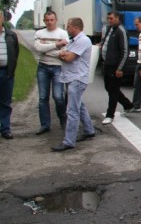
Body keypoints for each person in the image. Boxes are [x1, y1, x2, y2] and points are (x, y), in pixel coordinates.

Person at [52, 17, 95, 151]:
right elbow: (63, 54)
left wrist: (63, 54)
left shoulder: (82, 40)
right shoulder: (74, 41)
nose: (67, 28)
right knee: (79, 106)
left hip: (77, 78)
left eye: (68, 26)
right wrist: (63, 54)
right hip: (71, 77)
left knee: (72, 110)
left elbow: (69, 57)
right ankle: (89, 130)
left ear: (75, 27)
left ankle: (69, 141)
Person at [34, 10, 68, 135]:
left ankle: (63, 118)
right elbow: (38, 48)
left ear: (56, 20)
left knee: (58, 96)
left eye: (52, 20)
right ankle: (45, 125)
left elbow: (64, 52)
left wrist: (47, 48)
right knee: (43, 97)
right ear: (44, 21)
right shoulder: (39, 33)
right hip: (43, 67)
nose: (49, 22)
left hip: (58, 67)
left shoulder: (62, 33)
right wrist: (57, 45)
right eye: (47, 20)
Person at [99, 11, 134, 125]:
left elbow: (125, 51)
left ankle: (110, 115)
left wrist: (120, 68)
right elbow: (106, 42)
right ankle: (127, 104)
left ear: (117, 18)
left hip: (115, 66)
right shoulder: (110, 29)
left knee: (113, 91)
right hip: (107, 64)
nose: (109, 20)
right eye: (108, 18)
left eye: (111, 18)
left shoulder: (121, 31)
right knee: (108, 88)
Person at [0, 11, 19, 140]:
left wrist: (11, 70)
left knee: (6, 102)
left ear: (2, 18)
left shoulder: (11, 35)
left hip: (6, 72)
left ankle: (5, 129)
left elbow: (15, 53)